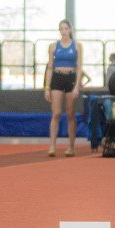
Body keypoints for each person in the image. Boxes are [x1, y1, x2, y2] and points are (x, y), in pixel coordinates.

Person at [43, 18, 82, 157]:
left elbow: (79, 67)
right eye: (61, 29)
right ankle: (52, 146)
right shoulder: (53, 46)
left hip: (71, 79)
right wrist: (47, 87)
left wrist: (77, 86)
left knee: (70, 114)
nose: (64, 31)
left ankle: (71, 146)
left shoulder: (77, 46)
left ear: (70, 30)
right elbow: (49, 67)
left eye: (66, 28)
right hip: (57, 78)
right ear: (59, 30)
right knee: (56, 114)